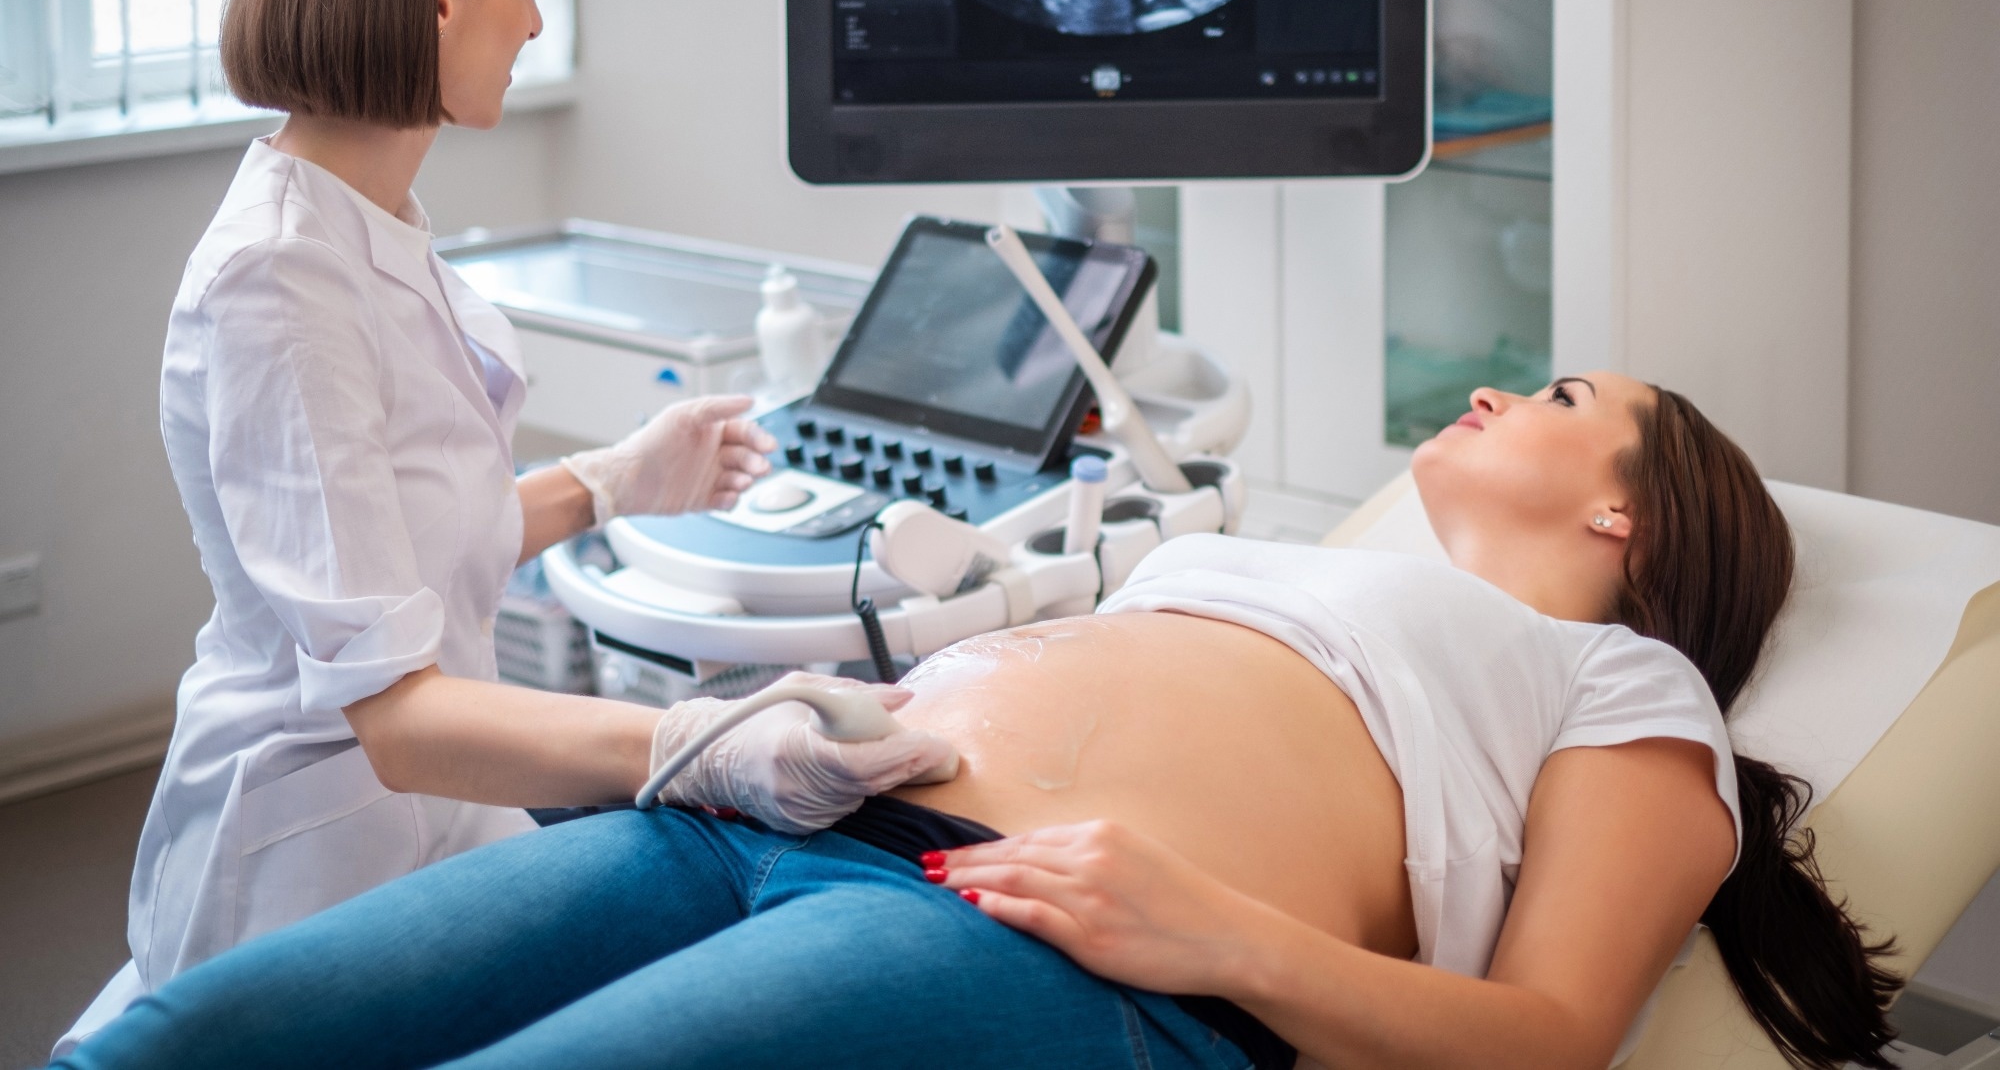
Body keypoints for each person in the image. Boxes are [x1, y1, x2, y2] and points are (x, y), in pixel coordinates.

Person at [53, 377, 1902, 1070]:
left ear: (1626, 517)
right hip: (758, 816)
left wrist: (1214, 933)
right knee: (197, 1034)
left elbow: (1555, 1039)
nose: (1505, 381)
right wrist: (777, 726)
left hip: (1026, 940)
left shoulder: (1626, 688)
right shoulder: (1286, 555)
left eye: (1567, 392)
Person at [55, 0, 952, 1055]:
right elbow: (398, 711)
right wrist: (701, 739)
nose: (532, 21)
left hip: (432, 818)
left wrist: (608, 482)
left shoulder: (368, 214)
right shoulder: (279, 279)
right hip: (319, 846)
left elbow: (393, 545)